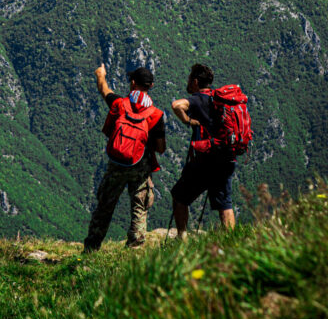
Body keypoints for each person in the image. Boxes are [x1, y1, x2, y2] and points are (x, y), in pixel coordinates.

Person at [84, 63, 166, 252]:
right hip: (141, 166)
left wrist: (100, 75)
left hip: (117, 164)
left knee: (105, 205)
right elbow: (161, 148)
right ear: (151, 86)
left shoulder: (120, 104)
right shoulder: (155, 115)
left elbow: (104, 90)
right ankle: (134, 249)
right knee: (139, 207)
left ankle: (91, 247)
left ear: (132, 83)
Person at [170, 63, 236, 237]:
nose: (188, 82)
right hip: (226, 158)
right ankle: (232, 241)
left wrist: (188, 121)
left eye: (190, 79)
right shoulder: (221, 99)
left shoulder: (198, 99)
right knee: (225, 204)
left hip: (205, 162)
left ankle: (182, 238)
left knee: (179, 196)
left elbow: (176, 105)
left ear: (196, 82)